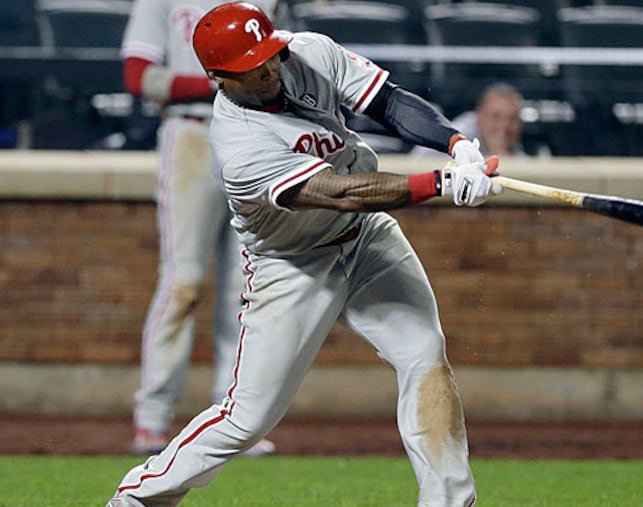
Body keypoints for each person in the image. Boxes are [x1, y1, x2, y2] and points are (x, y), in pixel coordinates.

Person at [107, 2, 501, 506]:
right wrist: (440, 182)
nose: (269, 68)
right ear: (220, 78)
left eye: (269, 54)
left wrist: (457, 144)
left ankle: (449, 501)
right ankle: (138, 496)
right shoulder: (239, 143)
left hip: (365, 235)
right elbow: (341, 191)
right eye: (252, 66)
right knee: (247, 419)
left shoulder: (308, 51)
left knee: (424, 354)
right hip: (292, 262)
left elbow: (389, 102)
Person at [120, 0, 278, 457]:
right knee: (183, 282)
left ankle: (237, 421)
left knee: (243, 290)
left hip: (251, 138)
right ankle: (151, 417)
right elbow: (139, 76)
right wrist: (224, 82)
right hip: (189, 134)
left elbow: (276, 72)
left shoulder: (259, 2)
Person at [410, 82, 550, 159]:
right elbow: (415, 165)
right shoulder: (457, 133)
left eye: (512, 119)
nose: (504, 126)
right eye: (496, 117)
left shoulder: (514, 141)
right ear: (479, 115)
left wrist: (502, 157)